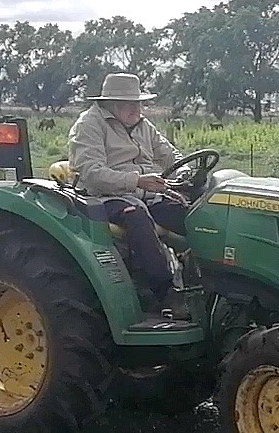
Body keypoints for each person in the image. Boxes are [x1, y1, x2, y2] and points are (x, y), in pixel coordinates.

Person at [67, 72, 189, 317]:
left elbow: (170, 155)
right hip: (103, 197)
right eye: (129, 102)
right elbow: (92, 173)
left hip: (148, 191)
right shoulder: (90, 125)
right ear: (111, 103)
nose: (137, 108)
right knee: (136, 215)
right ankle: (164, 291)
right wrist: (137, 181)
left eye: (138, 102)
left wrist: (185, 171)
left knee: (191, 213)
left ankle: (200, 277)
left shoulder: (143, 125)